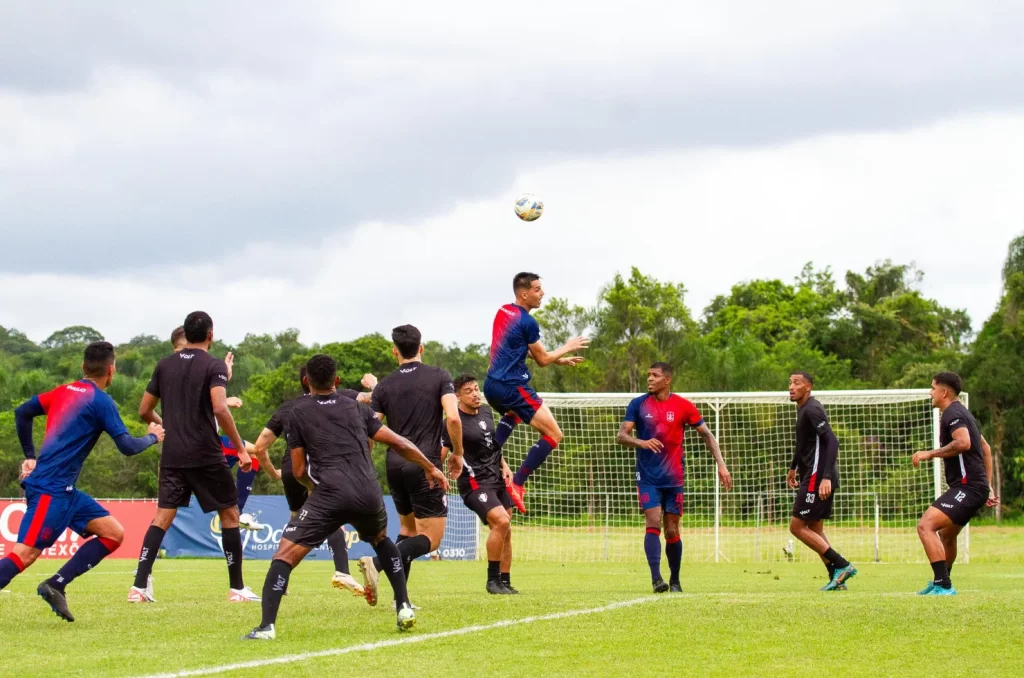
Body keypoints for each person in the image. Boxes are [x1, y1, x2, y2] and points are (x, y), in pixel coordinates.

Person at [242, 354, 448, 639]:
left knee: (284, 555)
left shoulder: (297, 412)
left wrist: (314, 489)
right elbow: (399, 442)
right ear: (337, 380)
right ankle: (403, 607)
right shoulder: (358, 408)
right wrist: (430, 467)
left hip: (328, 494)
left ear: (307, 381)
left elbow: (298, 470)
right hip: (368, 491)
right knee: (382, 541)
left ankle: (266, 627)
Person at [0, 342, 164, 621]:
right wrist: (153, 437)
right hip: (51, 491)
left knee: (113, 533)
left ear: (83, 367)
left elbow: (22, 412)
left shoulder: (62, 391)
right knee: (23, 555)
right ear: (111, 370)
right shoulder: (101, 401)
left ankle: (56, 584)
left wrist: (30, 455)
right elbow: (127, 446)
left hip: (65, 492)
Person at [130, 311, 260, 603]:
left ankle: (139, 587)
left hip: (173, 454)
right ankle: (237, 588)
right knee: (229, 514)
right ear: (211, 335)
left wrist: (166, 426)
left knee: (163, 516)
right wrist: (240, 448)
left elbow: (144, 410)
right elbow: (220, 408)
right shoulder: (213, 365)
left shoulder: (164, 365)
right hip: (205, 454)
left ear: (186, 335)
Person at [251, 364, 376, 596]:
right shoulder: (340, 397)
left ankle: (280, 581)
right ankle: (342, 571)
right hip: (316, 467)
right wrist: (374, 384)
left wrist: (274, 473)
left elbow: (259, 447)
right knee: (333, 517)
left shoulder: (288, 407)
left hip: (291, 468)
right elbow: (373, 399)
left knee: (295, 522)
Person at [365, 325, 462, 603]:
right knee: (432, 539)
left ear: (394, 351)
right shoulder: (439, 376)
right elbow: (453, 418)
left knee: (407, 531)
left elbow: (370, 429)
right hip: (424, 466)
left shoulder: (384, 386)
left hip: (394, 465)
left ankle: (401, 600)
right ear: (421, 347)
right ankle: (377, 563)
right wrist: (457, 453)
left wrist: (366, 460)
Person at [617, 362, 732, 593]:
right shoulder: (638, 404)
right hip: (647, 477)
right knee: (652, 521)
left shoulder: (683, 406)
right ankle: (656, 579)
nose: (650, 379)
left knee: (672, 530)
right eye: (648, 375)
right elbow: (621, 435)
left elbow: (707, 435)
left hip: (674, 478)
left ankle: (675, 581)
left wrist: (721, 464)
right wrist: (641, 442)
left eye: (655, 375)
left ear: (667, 380)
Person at [483, 272, 588, 513]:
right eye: (537, 289)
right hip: (512, 387)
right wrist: (567, 347)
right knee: (554, 434)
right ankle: (517, 483)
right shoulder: (528, 322)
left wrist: (557, 359)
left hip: (491, 386)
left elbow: (519, 348)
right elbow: (541, 360)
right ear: (524, 294)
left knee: (513, 414)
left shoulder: (503, 311)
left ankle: (486, 459)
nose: (542, 293)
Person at [912, 372, 999, 595]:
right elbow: (985, 448)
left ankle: (943, 584)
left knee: (925, 526)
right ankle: (941, 580)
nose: (930, 393)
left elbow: (963, 443)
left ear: (944, 392)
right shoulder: (963, 413)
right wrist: (988, 485)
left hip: (968, 488)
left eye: (933, 388)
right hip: (974, 487)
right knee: (947, 535)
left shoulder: (952, 413)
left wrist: (930, 454)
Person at [442, 374, 517, 594]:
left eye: (476, 389)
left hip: (497, 478)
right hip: (474, 482)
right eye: (469, 391)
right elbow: (442, 452)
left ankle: (505, 581)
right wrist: (435, 473)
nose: (475, 394)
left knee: (506, 529)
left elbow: (492, 446)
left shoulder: (486, 411)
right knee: (501, 521)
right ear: (457, 397)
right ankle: (492, 581)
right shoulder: (452, 421)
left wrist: (505, 465)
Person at [786, 371, 856, 591]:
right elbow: (803, 444)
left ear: (808, 387)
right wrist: (793, 467)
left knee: (797, 526)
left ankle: (842, 565)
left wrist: (825, 477)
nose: (791, 387)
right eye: (790, 383)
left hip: (818, 476)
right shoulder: (802, 409)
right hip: (812, 473)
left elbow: (832, 442)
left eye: (796, 383)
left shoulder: (813, 409)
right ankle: (836, 578)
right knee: (815, 527)